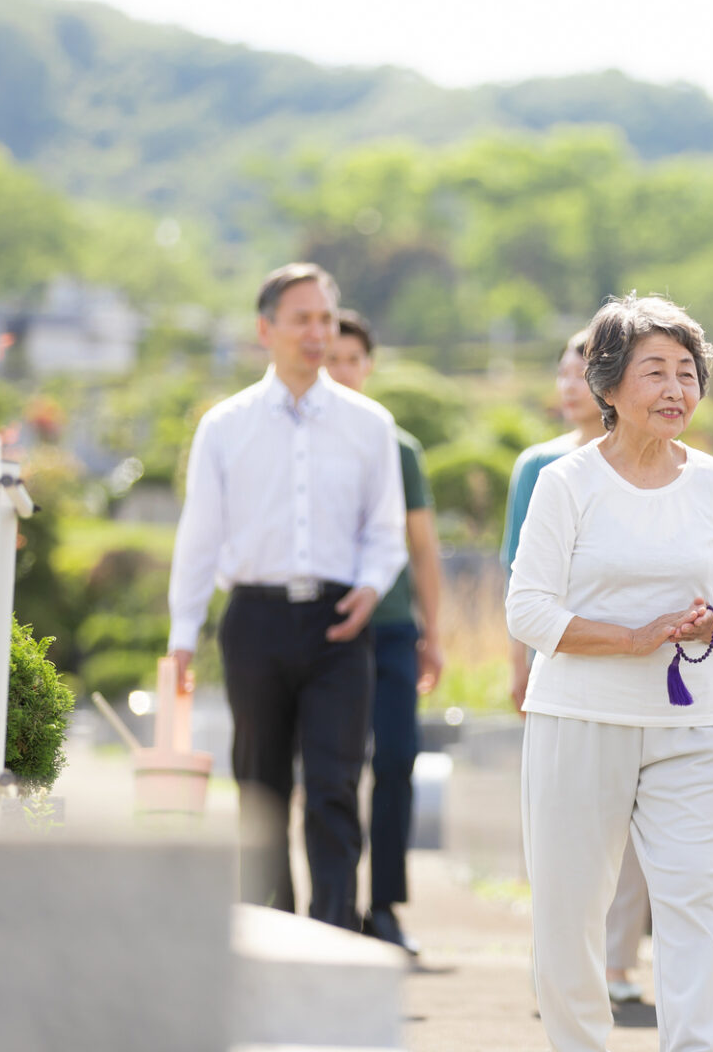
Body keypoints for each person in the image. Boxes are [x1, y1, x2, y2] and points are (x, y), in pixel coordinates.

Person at [506, 294, 713, 1052]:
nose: (676, 388)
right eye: (655, 371)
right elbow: (529, 611)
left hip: (690, 721)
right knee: (569, 914)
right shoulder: (568, 482)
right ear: (608, 384)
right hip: (579, 719)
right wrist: (630, 638)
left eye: (688, 372)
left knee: (691, 899)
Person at [168, 263, 407, 931]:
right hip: (255, 620)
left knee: (334, 789)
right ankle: (269, 934)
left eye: (326, 319)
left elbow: (386, 531)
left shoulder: (369, 424)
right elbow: (199, 532)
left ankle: (334, 936)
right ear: (265, 329)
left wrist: (368, 588)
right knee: (260, 791)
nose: (317, 332)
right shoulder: (225, 424)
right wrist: (182, 632)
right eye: (302, 319)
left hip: (339, 622)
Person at [501, 329, 652, 1005]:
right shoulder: (538, 468)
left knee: (633, 825)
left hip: (643, 663)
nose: (569, 385)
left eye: (582, 371)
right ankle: (564, 970)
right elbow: (518, 581)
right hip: (562, 659)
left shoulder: (663, 464)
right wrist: (519, 668)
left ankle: (616, 966)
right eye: (562, 372)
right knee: (566, 830)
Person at [326, 308, 444, 956]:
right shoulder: (306, 441)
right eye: (331, 360)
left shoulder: (399, 449)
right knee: (334, 768)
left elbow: (423, 548)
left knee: (397, 761)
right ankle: (334, 905)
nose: (341, 371)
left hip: (395, 628)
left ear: (368, 367)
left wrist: (435, 632)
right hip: (328, 628)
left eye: (351, 360)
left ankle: (386, 905)